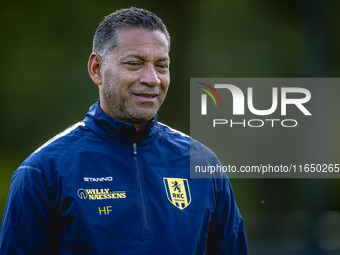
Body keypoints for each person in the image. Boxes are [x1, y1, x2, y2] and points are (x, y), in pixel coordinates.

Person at [0, 7, 247, 255]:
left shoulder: (203, 163)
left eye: (162, 66)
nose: (152, 78)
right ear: (97, 69)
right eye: (134, 63)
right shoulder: (43, 170)